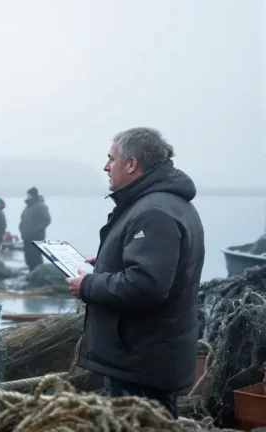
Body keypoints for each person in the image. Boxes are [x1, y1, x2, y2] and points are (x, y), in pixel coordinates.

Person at [64, 127, 204, 419]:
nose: (105, 166)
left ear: (131, 164)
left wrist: (88, 286)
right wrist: (103, 265)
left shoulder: (154, 211)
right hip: (144, 356)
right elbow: (154, 267)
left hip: (142, 361)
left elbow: (147, 285)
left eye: (111, 158)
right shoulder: (163, 203)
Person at [18, 187, 51, 271]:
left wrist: (36, 230)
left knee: (36, 258)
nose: (27, 197)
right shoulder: (27, 207)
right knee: (29, 259)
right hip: (26, 237)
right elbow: (23, 219)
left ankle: (39, 275)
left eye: (29, 195)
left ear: (33, 195)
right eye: (27, 195)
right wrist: (22, 230)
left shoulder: (41, 206)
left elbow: (47, 219)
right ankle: (31, 274)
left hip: (36, 237)